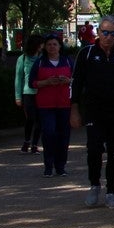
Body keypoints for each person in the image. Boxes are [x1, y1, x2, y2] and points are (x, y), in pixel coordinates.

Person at [70, 15, 114, 209]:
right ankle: (94, 185)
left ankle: (111, 190)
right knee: (94, 149)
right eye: (105, 32)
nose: (108, 37)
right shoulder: (86, 53)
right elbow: (76, 84)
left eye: (113, 33)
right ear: (98, 32)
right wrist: (74, 110)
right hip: (94, 111)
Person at [29, 33, 73, 178]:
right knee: (49, 133)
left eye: (55, 44)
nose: (52, 47)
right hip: (45, 105)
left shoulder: (67, 61)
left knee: (63, 135)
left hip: (64, 104)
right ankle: (48, 165)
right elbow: (32, 83)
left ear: (60, 46)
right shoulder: (40, 63)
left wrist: (67, 80)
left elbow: (77, 80)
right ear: (45, 47)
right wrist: (46, 82)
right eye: (49, 44)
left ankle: (61, 166)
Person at [14, 34, 44, 155]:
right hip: (28, 93)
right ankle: (27, 141)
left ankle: (35, 144)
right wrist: (18, 96)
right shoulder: (23, 59)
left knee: (40, 120)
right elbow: (18, 78)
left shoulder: (43, 58)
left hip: (41, 92)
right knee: (30, 118)